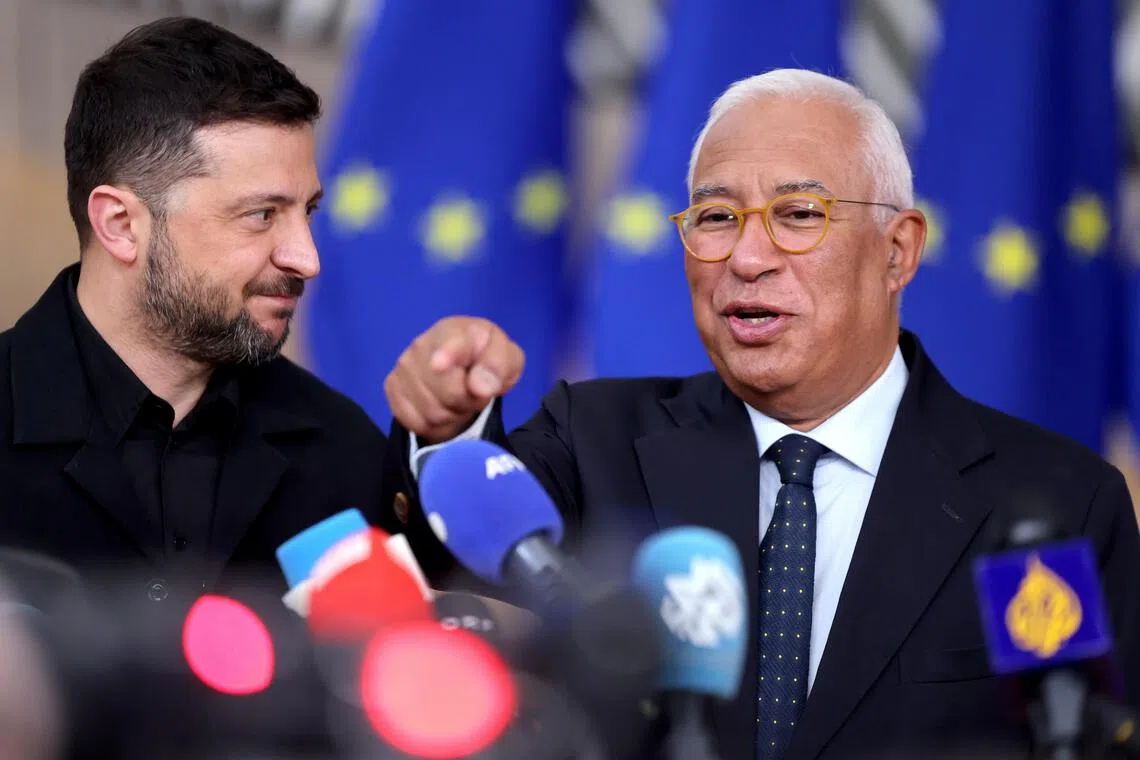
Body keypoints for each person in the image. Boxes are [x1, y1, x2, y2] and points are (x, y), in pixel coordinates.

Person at [384, 69, 1140, 760]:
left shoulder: (1060, 504)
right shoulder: (594, 438)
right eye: (715, 218)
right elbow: (432, 571)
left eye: (798, 213)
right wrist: (448, 435)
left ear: (898, 252)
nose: (748, 256)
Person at [0, 17, 398, 605]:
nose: (306, 259)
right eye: (262, 214)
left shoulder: (344, 452)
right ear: (120, 225)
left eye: (306, 212)